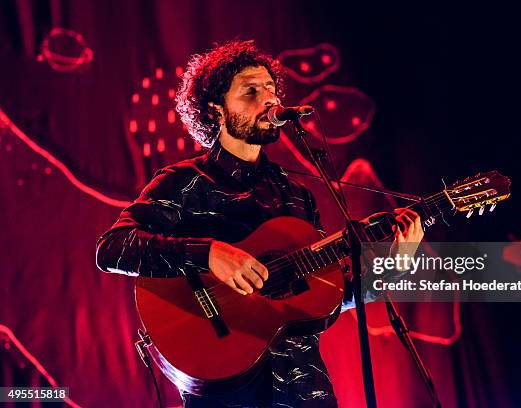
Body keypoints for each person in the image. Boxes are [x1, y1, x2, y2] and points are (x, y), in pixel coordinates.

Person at [96, 39, 423, 408]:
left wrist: (391, 269)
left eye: (270, 88)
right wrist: (208, 255)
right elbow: (113, 248)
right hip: (226, 390)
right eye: (251, 90)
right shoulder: (184, 182)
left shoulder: (298, 195)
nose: (268, 99)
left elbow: (325, 298)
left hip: (305, 389)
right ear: (217, 111)